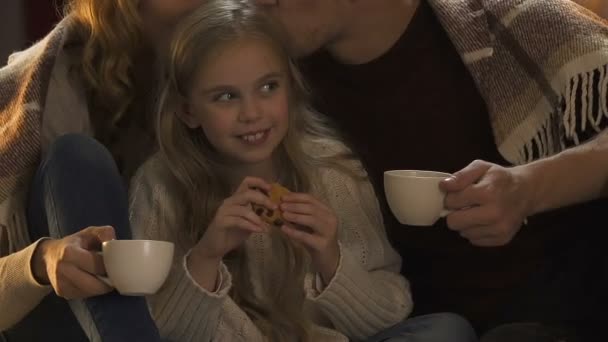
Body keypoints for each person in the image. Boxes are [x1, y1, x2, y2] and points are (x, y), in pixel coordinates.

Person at [253, 0, 608, 341]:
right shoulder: (271, 75)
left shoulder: (509, 24)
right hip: (409, 319)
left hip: (557, 303)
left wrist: (526, 188)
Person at [127, 1, 478, 341]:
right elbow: (156, 330)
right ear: (188, 111)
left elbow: (390, 313)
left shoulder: (330, 169)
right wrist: (207, 255)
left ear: (291, 89)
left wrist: (331, 258)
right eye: (225, 97)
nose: (252, 113)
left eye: (268, 87)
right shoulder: (160, 185)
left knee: (446, 329)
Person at [0, 0, 204, 340]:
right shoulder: (46, 86)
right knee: (76, 158)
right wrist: (41, 260)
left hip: (193, 312)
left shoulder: (246, 69)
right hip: (62, 318)